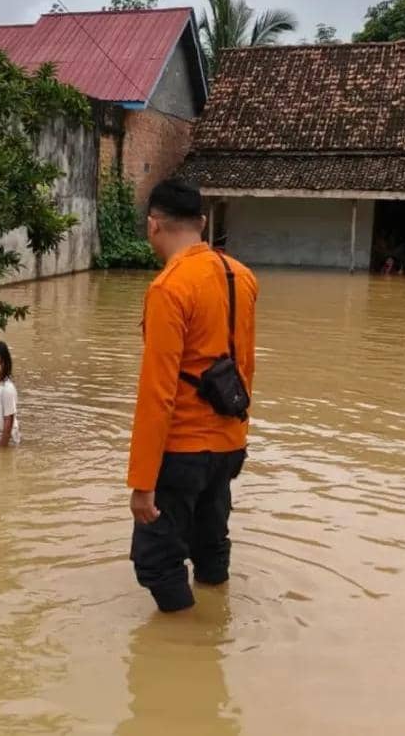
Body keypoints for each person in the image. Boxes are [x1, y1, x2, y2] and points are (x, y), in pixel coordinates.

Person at [127, 177, 257, 613]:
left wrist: (143, 483)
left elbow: (157, 393)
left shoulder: (169, 288)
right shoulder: (242, 277)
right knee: (210, 540)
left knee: (156, 561)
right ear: (202, 222)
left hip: (182, 451)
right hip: (229, 443)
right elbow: (245, 367)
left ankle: (186, 641)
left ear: (153, 225)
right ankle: (218, 622)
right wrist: (237, 436)